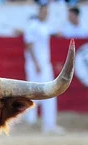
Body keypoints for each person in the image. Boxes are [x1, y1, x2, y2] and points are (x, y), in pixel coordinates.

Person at [23, 4, 64, 135]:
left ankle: (47, 124)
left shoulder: (44, 26)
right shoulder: (32, 26)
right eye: (44, 11)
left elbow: (54, 32)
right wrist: (36, 63)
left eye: (47, 12)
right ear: (39, 12)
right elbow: (29, 45)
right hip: (37, 64)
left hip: (44, 64)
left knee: (47, 93)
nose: (45, 14)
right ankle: (30, 121)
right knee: (36, 93)